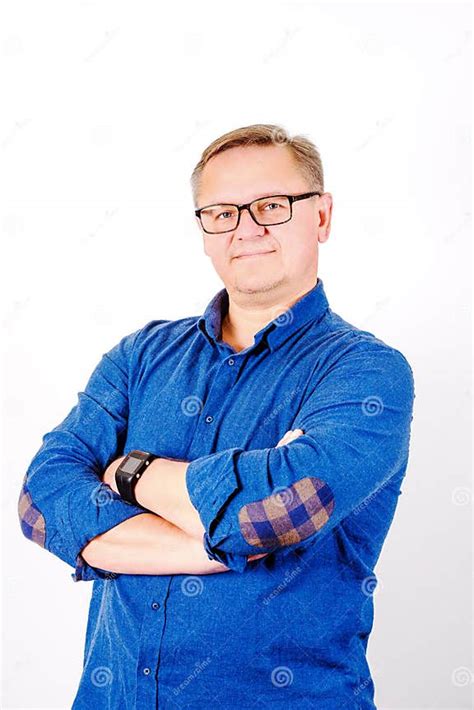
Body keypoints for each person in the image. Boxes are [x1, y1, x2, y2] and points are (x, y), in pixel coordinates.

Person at [18, 123, 415, 709]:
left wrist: (133, 474)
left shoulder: (366, 372)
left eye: (272, 206)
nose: (246, 229)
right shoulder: (141, 357)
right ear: (204, 230)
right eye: (222, 212)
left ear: (321, 216)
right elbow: (41, 503)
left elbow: (275, 510)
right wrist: (219, 542)